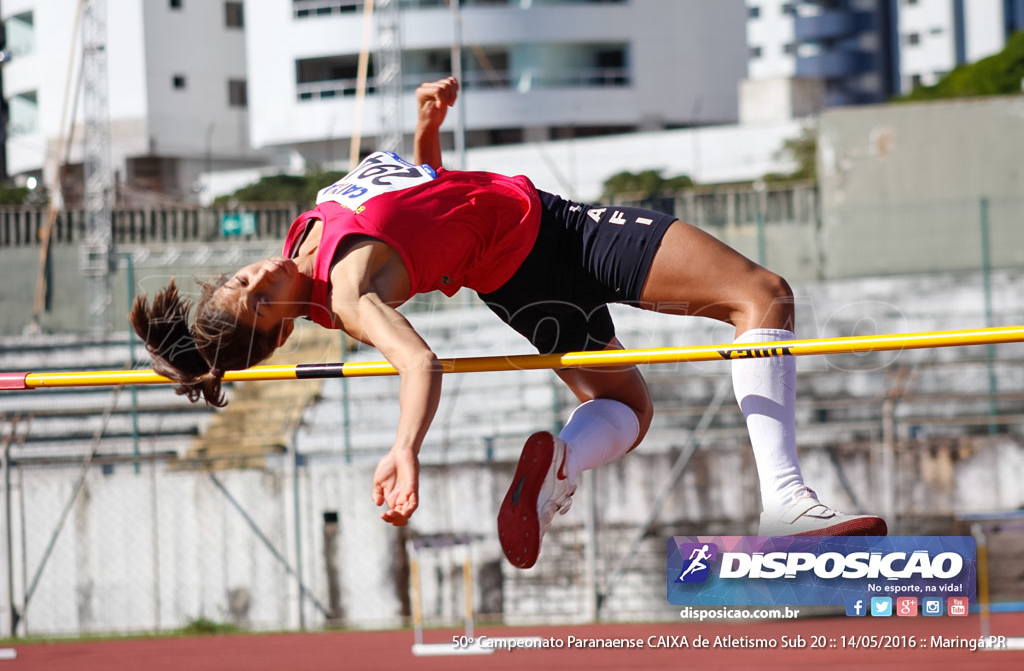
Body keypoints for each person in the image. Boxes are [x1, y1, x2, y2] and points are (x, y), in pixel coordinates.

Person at [130, 77, 885, 570]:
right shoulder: (350, 289)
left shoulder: (304, 236)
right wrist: (404, 449)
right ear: (285, 330)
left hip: (515, 281)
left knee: (626, 407)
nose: (256, 277)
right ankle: (785, 499)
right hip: (558, 234)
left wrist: (427, 130)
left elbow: (430, 200)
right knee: (762, 296)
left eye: (238, 280)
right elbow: (419, 363)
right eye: (258, 301)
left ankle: (561, 463)